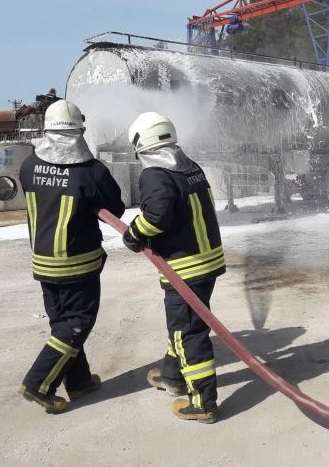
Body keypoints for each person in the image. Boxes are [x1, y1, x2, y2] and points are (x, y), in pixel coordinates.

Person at [18, 99, 125, 413]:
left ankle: (78, 383)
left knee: (62, 323)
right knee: (76, 323)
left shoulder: (28, 165)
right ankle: (38, 383)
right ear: (80, 130)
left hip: (42, 262)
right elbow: (115, 208)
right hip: (78, 263)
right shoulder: (90, 172)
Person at [122, 112, 225, 424]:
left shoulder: (155, 174)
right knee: (183, 326)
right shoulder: (189, 166)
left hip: (185, 267)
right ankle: (172, 376)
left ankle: (202, 402)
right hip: (207, 262)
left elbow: (156, 216)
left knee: (189, 333)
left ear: (142, 144)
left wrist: (133, 234)